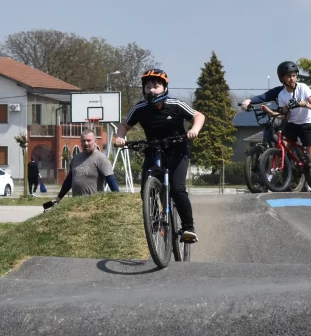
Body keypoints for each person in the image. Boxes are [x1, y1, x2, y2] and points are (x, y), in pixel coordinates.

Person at [113, 68, 205, 243]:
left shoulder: (175, 105)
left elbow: (198, 116)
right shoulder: (140, 108)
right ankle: (154, 220)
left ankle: (188, 227)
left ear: (164, 87)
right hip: (154, 150)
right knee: (146, 189)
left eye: (156, 86)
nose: (152, 90)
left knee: (177, 189)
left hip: (177, 150)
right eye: (148, 87)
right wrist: (120, 137)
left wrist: (194, 129)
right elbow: (124, 125)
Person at [241, 61, 311, 191]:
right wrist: (270, 112)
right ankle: (267, 182)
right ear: (282, 79)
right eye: (288, 76)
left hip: (307, 125)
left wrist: (304, 104)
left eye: (293, 75)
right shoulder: (282, 95)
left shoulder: (303, 88)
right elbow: (285, 115)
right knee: (281, 148)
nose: (291, 79)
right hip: (292, 124)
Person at [49, 130, 120, 205]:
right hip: (76, 204)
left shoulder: (101, 159)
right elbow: (69, 181)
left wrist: (118, 201)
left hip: (94, 204)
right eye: (83, 141)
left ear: (95, 142)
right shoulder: (76, 158)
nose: (86, 143)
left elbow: (111, 181)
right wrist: (58, 198)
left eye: (88, 141)